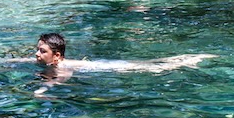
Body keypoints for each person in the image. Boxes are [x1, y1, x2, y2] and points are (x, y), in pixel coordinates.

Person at [31, 32, 214, 83]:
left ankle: (188, 62)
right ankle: (181, 57)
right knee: (146, 63)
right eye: (38, 50)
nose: (37, 54)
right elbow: (25, 61)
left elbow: (64, 76)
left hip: (110, 68)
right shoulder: (55, 61)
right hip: (105, 64)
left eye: (42, 51)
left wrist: (47, 87)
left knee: (153, 68)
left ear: (57, 55)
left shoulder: (61, 67)